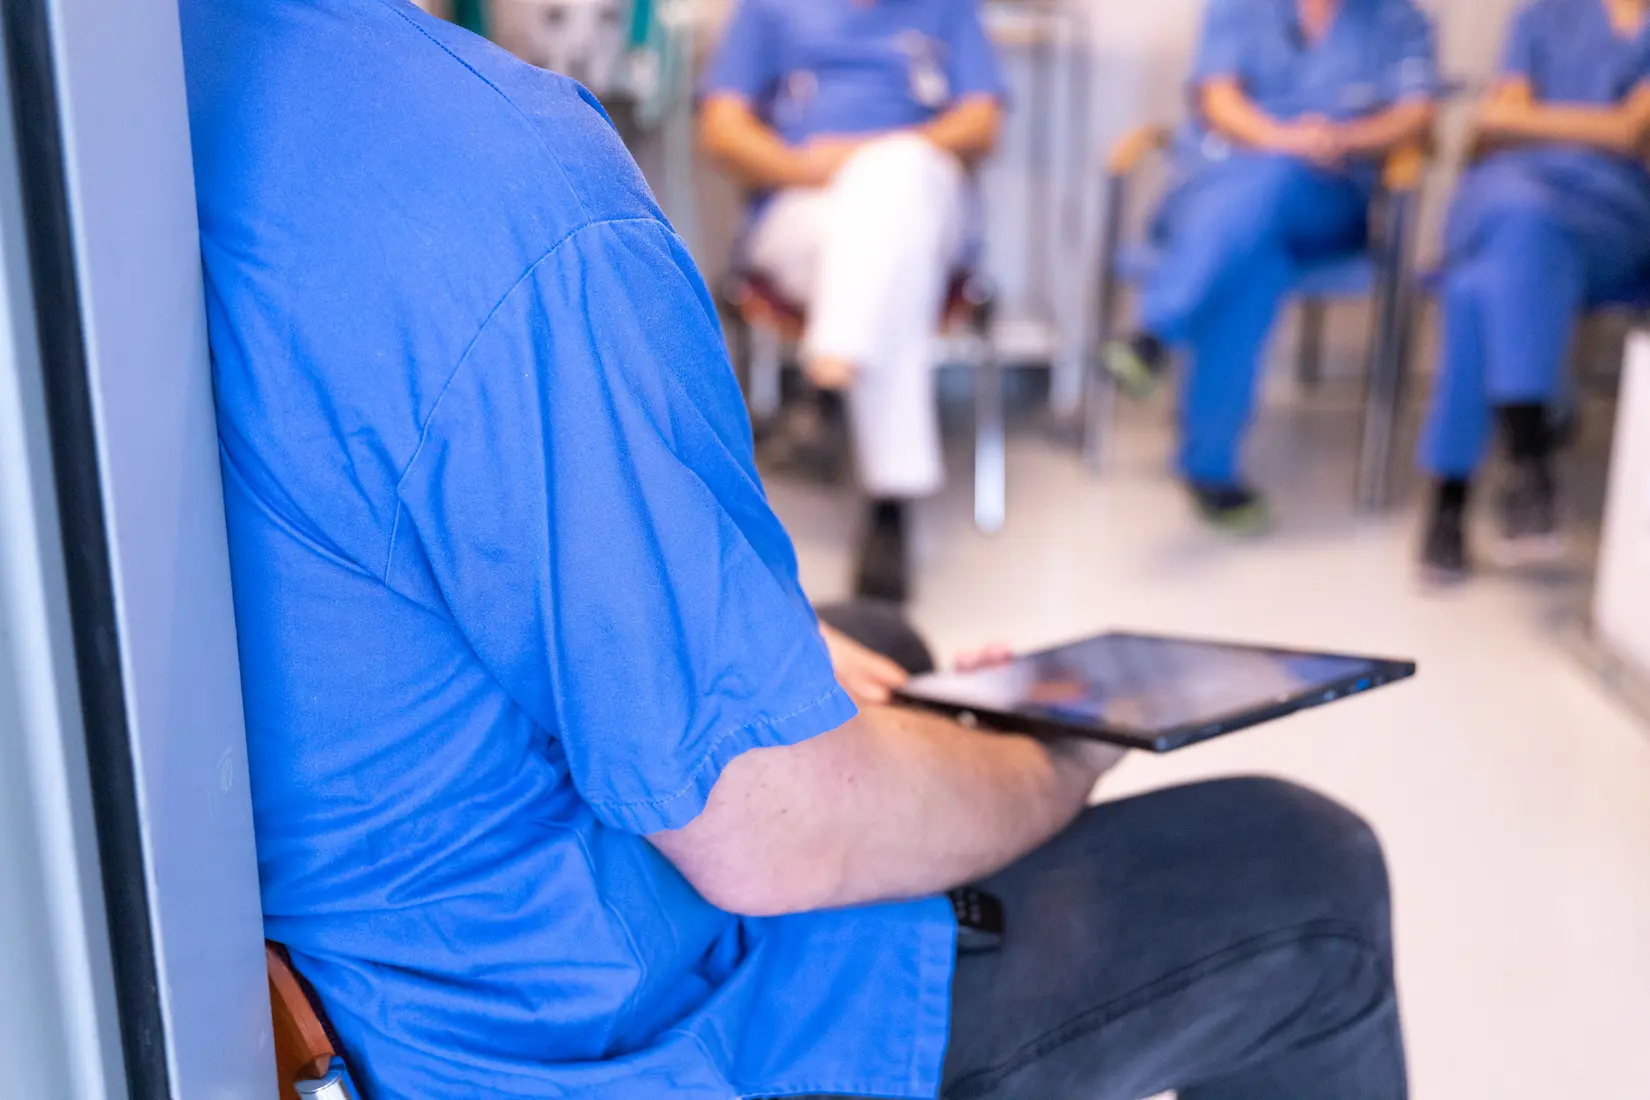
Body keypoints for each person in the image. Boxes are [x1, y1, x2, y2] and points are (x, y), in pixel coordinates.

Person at [181, 0, 1406, 1097]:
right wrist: (1056, 750)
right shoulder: (491, 172)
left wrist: (767, 642)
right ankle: (873, 420)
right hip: (531, 1040)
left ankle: (845, 390)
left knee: (881, 643)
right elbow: (770, 828)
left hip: (305, 926)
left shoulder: (129, 80)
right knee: (1312, 869)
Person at [698, 0, 1007, 603]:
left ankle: (828, 382)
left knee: (901, 177)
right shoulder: (768, 11)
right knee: (890, 262)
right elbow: (721, 128)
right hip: (802, 210)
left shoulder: (948, 10)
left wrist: (869, 159)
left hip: (920, 202)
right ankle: (890, 502)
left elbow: (980, 123)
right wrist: (807, 169)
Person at [1103, 0, 1439, 534]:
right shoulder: (1239, 8)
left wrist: (1341, 140)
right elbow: (1218, 100)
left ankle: (1156, 333)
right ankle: (1210, 469)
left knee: (1268, 196)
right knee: (1257, 259)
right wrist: (1288, 142)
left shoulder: (1399, 19)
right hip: (1213, 194)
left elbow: (1415, 115)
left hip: (1324, 201)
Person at [1416, 0, 1650, 583]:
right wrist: (1607, 128)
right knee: (1523, 222)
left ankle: (1452, 498)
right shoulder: (1543, 14)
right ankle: (1529, 445)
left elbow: (1631, 129)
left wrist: (1534, 119)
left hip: (1608, 218)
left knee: (1479, 286)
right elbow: (1495, 123)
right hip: (1503, 197)